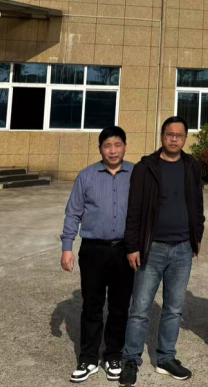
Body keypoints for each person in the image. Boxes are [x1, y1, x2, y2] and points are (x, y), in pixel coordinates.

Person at [119, 117, 204, 386]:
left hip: (182, 250)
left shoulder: (191, 166)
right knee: (140, 308)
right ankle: (131, 359)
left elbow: (197, 203)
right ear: (162, 136)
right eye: (169, 134)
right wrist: (133, 246)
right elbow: (134, 209)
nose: (174, 139)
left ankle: (166, 357)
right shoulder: (146, 167)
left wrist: (197, 235)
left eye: (179, 135)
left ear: (185, 138)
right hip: (151, 249)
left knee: (174, 309)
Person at [60, 126, 134, 383]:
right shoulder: (86, 176)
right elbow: (73, 213)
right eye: (107, 145)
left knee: (119, 306)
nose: (113, 150)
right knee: (92, 305)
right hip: (93, 251)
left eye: (117, 145)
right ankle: (89, 358)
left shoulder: (136, 174)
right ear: (100, 149)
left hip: (125, 251)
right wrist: (67, 247)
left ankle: (113, 355)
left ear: (125, 147)